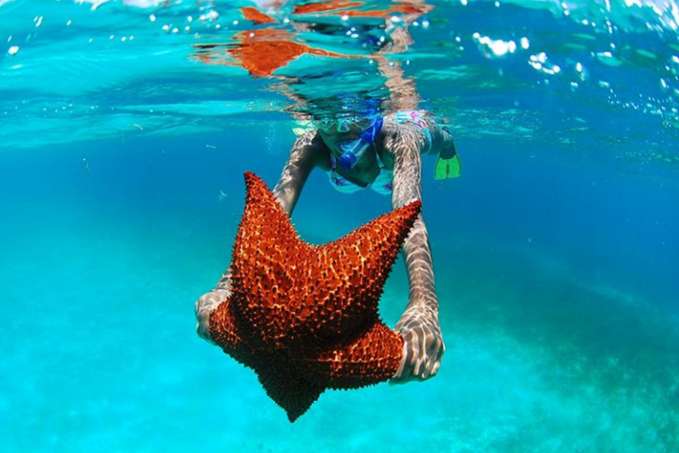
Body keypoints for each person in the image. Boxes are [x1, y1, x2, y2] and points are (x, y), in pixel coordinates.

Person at [195, 0, 459, 381]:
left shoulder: (397, 139)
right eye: (324, 117)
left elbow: (410, 219)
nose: (338, 126)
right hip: (351, 172)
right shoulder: (313, 143)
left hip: (404, 141)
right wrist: (226, 287)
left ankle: (449, 147)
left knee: (438, 137)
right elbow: (270, 217)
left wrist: (425, 307)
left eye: (348, 118)